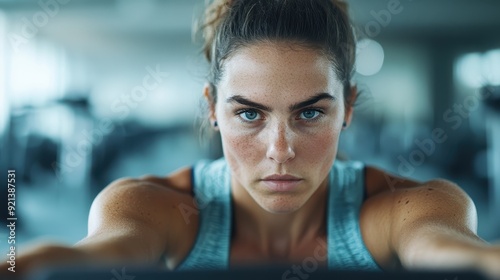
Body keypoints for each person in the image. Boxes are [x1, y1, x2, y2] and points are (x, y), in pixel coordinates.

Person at [2, 0, 500, 278]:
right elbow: (82, 259)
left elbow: (459, 254)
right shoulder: (148, 206)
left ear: (347, 107)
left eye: (309, 112)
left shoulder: (407, 209)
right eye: (249, 113)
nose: (279, 149)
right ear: (211, 109)